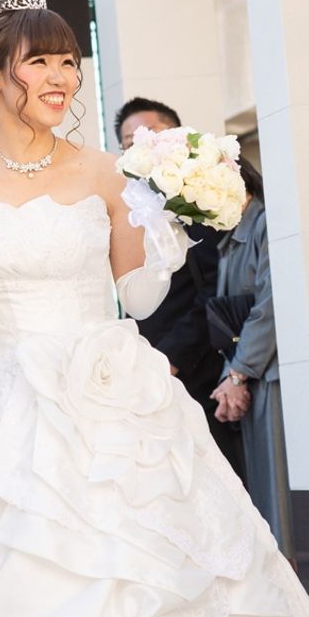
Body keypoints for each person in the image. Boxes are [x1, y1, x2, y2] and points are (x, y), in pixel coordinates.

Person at [0, 0, 309, 617]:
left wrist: (165, 224)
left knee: (165, 561)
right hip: (8, 406)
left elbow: (136, 298)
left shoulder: (108, 172)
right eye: (39, 61)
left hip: (118, 395)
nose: (61, 77)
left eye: (68, 62)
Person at [115, 97, 245, 480]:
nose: (138, 146)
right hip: (147, 370)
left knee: (215, 475)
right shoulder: (129, 209)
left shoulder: (197, 198)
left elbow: (213, 287)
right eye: (128, 143)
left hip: (197, 366)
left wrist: (172, 357)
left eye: (149, 135)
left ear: (176, 136)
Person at [210, 159, 290, 553]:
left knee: (279, 507)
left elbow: (270, 306)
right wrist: (232, 377)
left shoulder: (265, 224)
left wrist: (238, 373)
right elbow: (233, 320)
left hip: (270, 377)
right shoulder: (230, 237)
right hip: (249, 379)